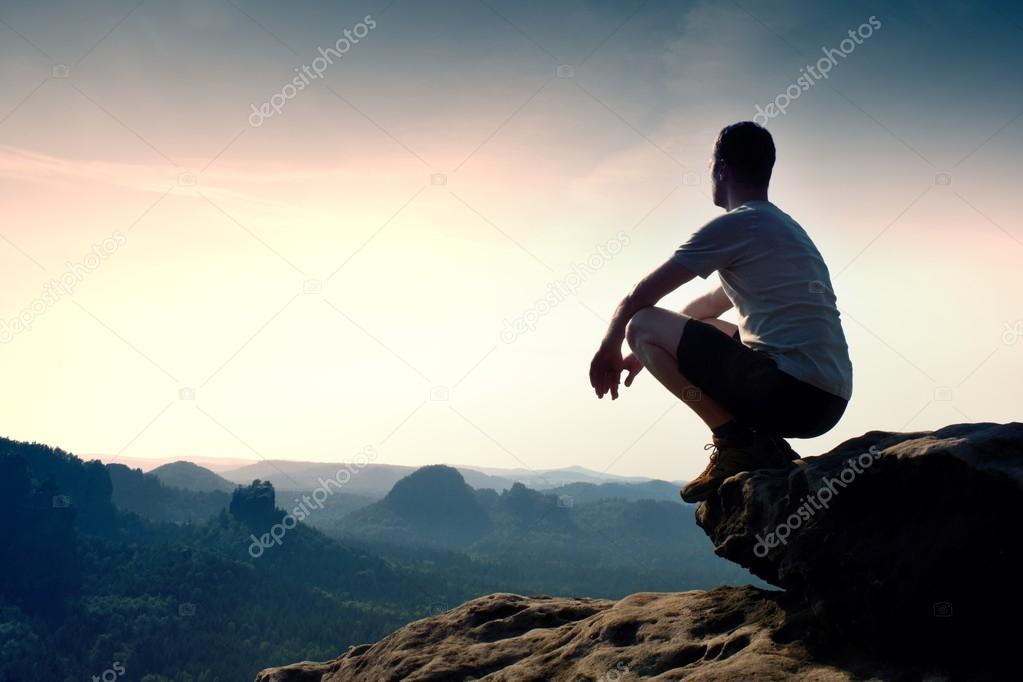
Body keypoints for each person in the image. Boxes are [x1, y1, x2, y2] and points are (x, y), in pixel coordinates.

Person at [588, 121, 852, 502]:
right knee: (690, 324)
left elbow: (639, 298)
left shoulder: (736, 224)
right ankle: (765, 444)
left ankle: (734, 441)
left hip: (788, 393)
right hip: (827, 401)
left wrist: (612, 345)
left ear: (722, 169)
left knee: (641, 323)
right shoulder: (782, 227)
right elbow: (708, 306)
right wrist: (644, 355)